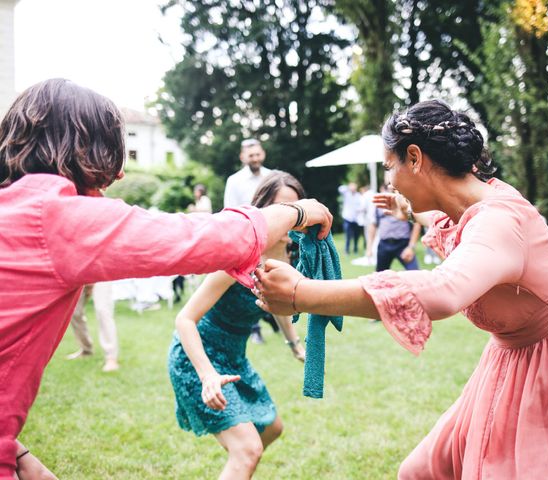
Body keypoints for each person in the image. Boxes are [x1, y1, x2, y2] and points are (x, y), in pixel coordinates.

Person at [254, 99, 548, 479]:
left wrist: (302, 292)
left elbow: (442, 290)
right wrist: (407, 211)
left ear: (415, 158)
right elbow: (442, 214)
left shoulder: (500, 221)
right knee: (420, 472)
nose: (389, 180)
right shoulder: (468, 206)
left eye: (390, 167)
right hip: (509, 364)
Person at [0, 78, 332, 479]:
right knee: (248, 449)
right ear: (81, 148)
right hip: (202, 359)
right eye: (109, 152)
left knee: (263, 434)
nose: (119, 173)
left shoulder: (17, 206)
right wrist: (296, 212)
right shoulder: (55, 215)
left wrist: (15, 452)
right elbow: (208, 239)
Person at [168, 171, 306, 480]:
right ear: (263, 212)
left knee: (271, 428)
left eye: (296, 212)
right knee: (247, 450)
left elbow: (278, 304)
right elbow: (184, 319)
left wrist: (294, 343)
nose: (290, 221)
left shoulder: (286, 255)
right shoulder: (238, 257)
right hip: (198, 360)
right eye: (282, 210)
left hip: (235, 359)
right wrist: (207, 376)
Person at [224, 138, 275, 344]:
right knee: (250, 282)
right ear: (243, 157)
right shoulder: (234, 181)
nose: (255, 158)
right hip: (247, 237)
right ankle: (255, 328)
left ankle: (272, 315)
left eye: (257, 154)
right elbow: (229, 211)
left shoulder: (271, 176)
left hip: (272, 233)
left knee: (270, 276)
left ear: (262, 154)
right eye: (250, 155)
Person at [66, 282, 120, 372]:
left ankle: (111, 358)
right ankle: (86, 349)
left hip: (102, 272)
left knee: (103, 310)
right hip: (80, 271)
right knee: (74, 311)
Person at [372, 183, 422, 273]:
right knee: (379, 277)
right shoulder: (379, 205)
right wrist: (369, 247)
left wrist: (411, 247)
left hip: (403, 244)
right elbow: (373, 224)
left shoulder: (404, 201)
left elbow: (417, 223)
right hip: (384, 244)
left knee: (415, 272)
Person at [338, 182, 362, 255]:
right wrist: (348, 187)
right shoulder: (346, 194)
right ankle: (347, 250)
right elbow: (340, 189)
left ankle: (355, 249)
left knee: (356, 235)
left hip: (356, 219)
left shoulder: (358, 195)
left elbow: (361, 205)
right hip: (347, 218)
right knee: (348, 235)